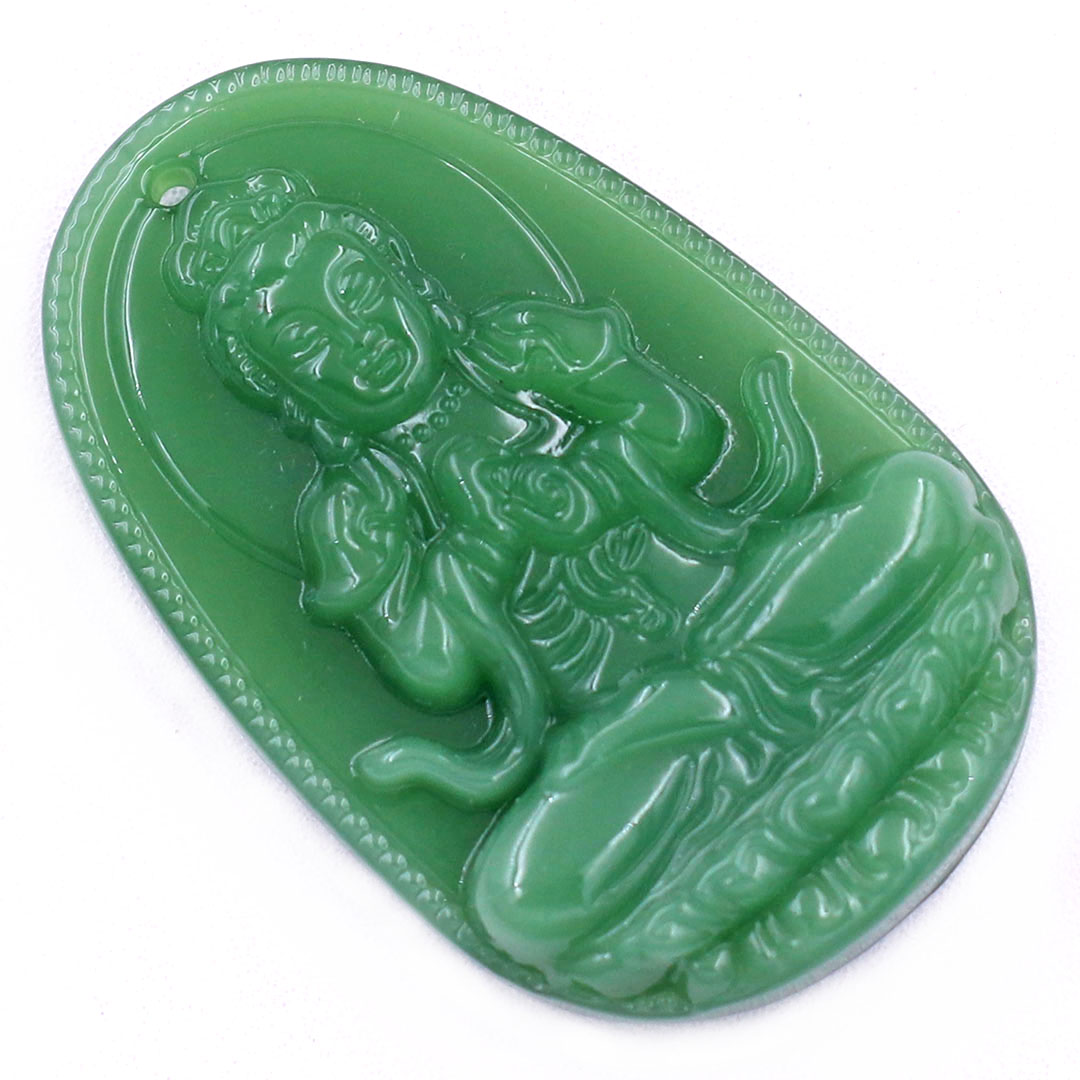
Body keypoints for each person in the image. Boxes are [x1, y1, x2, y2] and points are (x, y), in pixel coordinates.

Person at [165, 171, 1019, 998]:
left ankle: (749, 782)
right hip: (642, 730)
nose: (360, 339)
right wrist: (481, 551)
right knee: (521, 904)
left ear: (407, 279)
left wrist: (593, 468)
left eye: (358, 291)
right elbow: (431, 665)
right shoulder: (358, 511)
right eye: (307, 344)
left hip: (754, 614)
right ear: (290, 396)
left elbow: (680, 430)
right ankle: (840, 711)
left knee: (921, 499)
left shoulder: (519, 351)